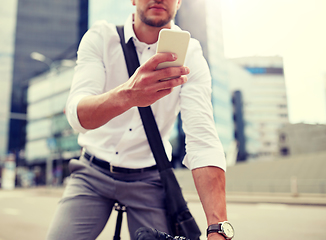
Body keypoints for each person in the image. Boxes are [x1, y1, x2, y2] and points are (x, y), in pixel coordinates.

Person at [46, 0, 233, 240]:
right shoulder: (100, 37)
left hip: (149, 178)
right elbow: (77, 116)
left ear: (179, 1)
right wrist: (129, 94)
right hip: (92, 172)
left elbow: (203, 139)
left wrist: (218, 227)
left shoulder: (191, 54)